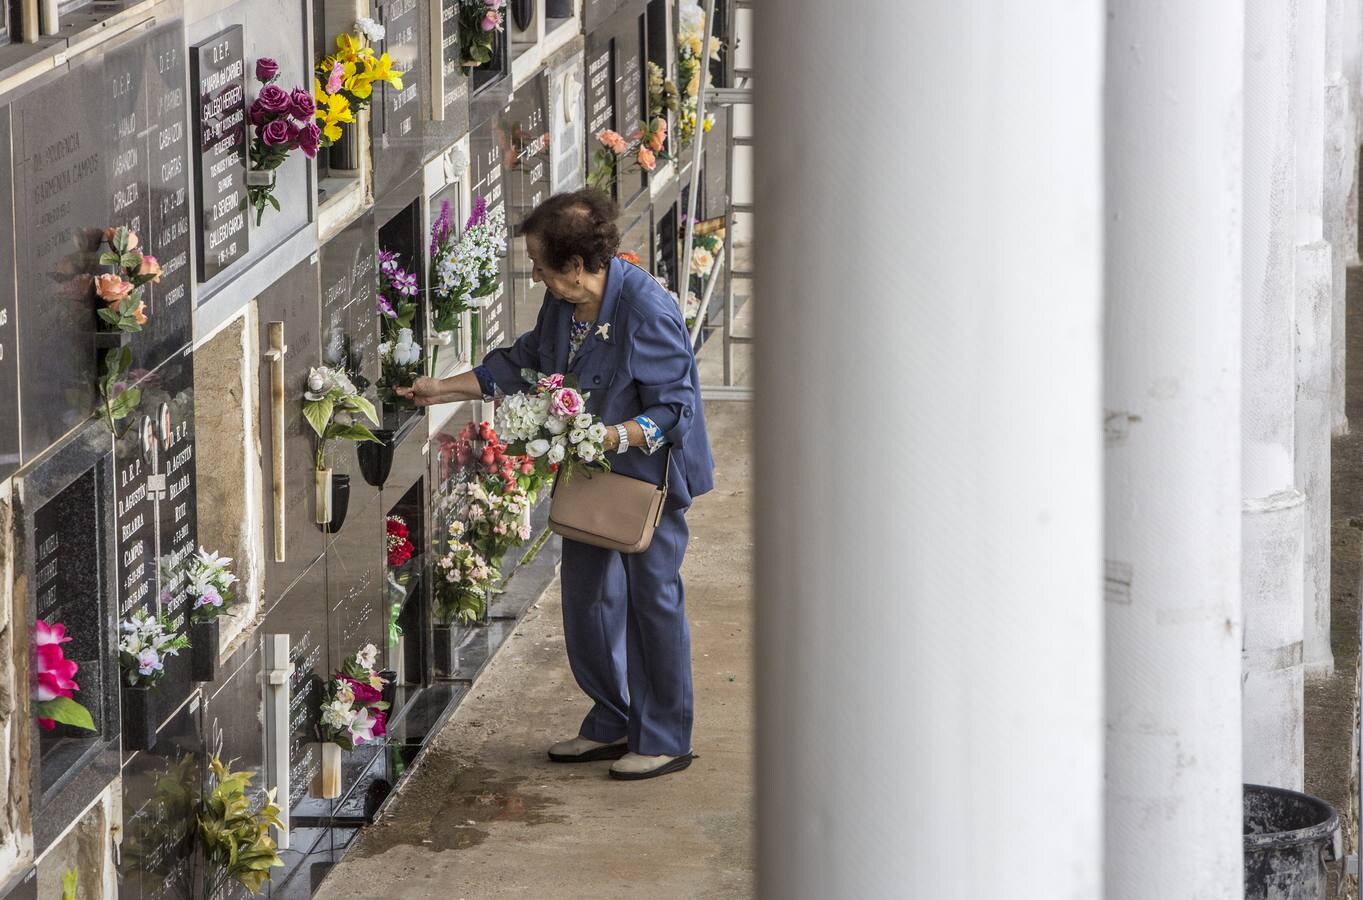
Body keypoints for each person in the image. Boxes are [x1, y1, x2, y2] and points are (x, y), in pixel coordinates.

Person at [398, 189, 714, 780]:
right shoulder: (563, 306)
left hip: (648, 479)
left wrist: (613, 438)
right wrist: (442, 388)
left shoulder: (646, 310)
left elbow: (675, 410)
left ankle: (665, 736)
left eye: (542, 264)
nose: (536, 274)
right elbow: (524, 362)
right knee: (587, 601)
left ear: (575, 266)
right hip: (591, 476)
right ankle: (613, 718)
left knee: (653, 601)